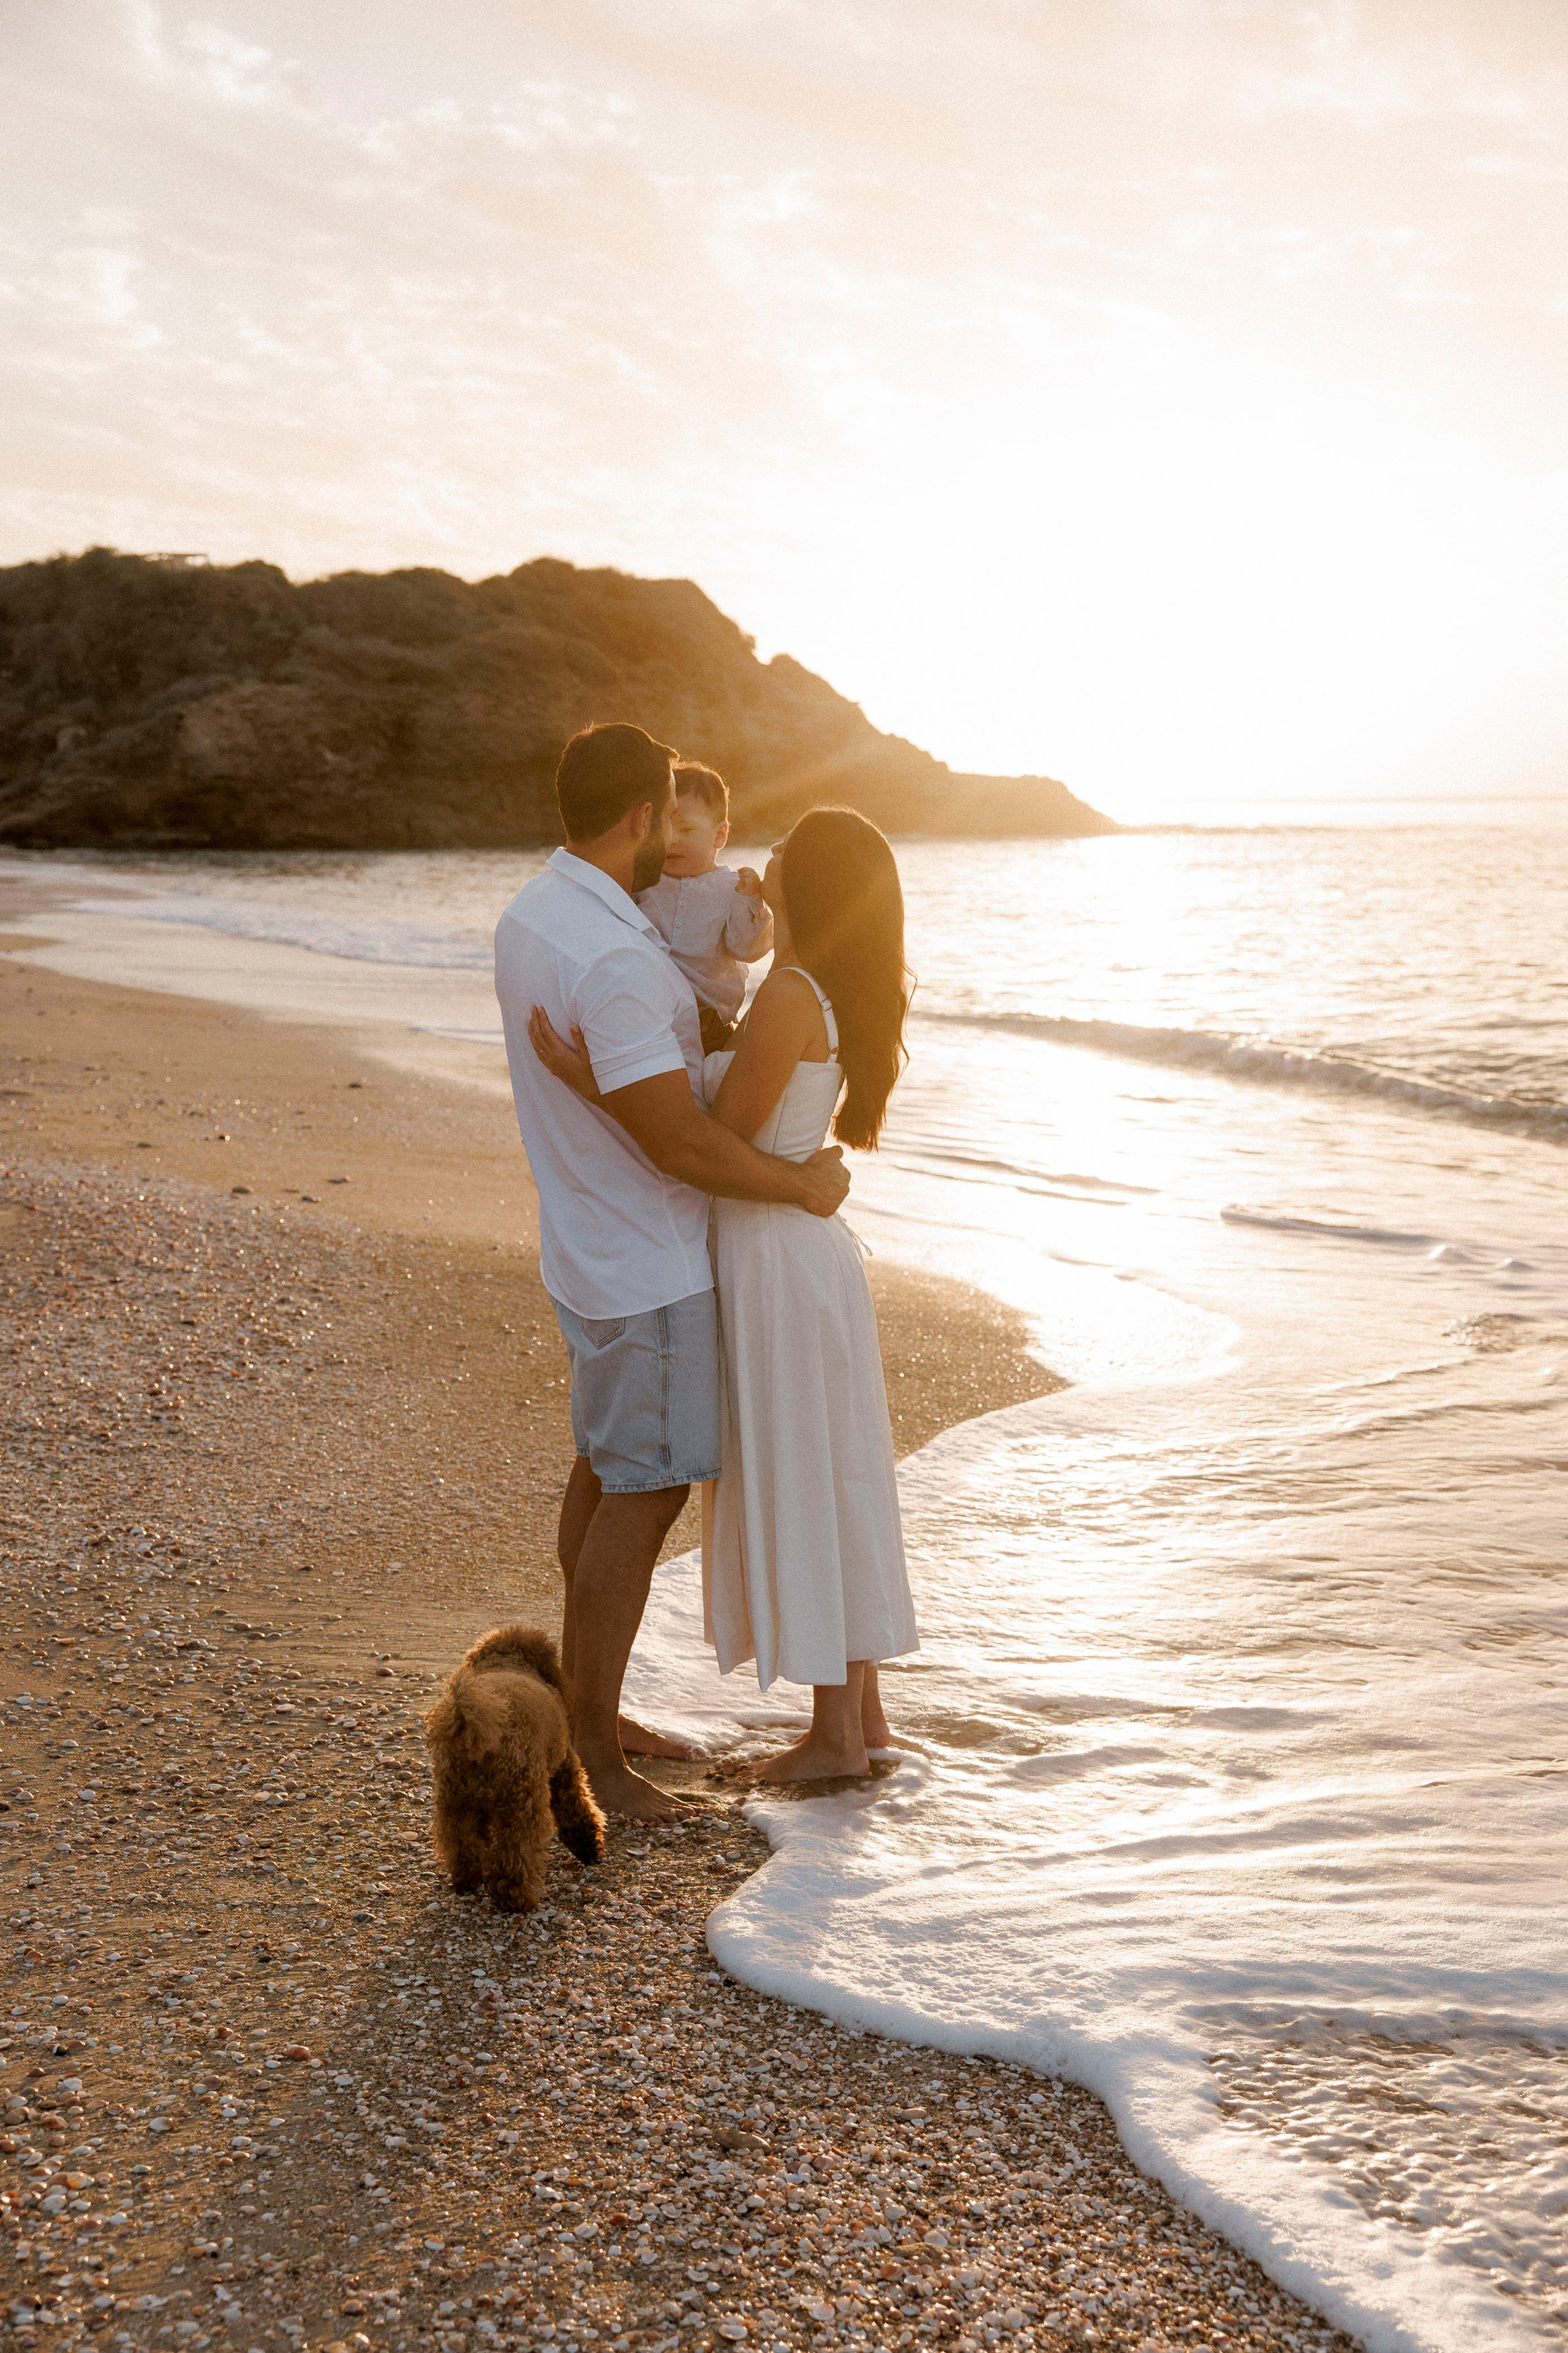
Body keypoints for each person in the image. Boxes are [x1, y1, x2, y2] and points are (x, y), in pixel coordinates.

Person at [494, 722, 851, 1824]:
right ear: (646, 816)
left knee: (606, 1468)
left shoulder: (535, 913)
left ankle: (585, 1712)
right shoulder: (610, 951)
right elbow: (677, 1142)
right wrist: (801, 1187)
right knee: (641, 1492)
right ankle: (593, 1759)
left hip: (585, 1238)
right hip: (645, 1257)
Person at [532, 805, 919, 1784]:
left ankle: (835, 1740)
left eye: (781, 857)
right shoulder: (810, 988)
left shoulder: (791, 991)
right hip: (797, 1252)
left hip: (774, 1256)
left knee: (806, 1475)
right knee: (832, 1475)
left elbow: (715, 1136)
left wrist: (596, 1076)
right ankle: (859, 1721)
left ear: (811, 883)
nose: (760, 867)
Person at [635, 761, 773, 1054]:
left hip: (708, 1018)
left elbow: (747, 949)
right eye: (665, 828)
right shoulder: (645, 881)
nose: (672, 840)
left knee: (709, 1085)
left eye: (686, 829)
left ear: (719, 836)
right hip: (651, 1008)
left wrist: (749, 898)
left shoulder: (732, 888)